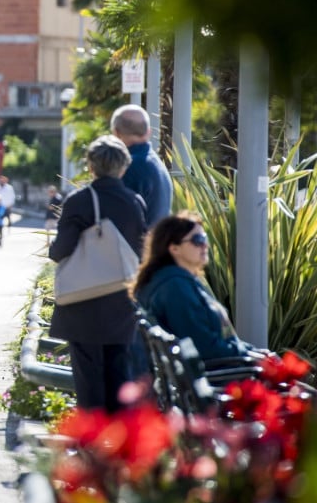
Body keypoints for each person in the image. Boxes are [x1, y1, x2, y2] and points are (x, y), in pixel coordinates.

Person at [48, 134, 147, 412]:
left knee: (88, 375)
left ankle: (92, 443)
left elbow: (61, 250)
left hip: (83, 301)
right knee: (119, 370)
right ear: (123, 167)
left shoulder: (79, 201)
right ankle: (120, 442)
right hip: (121, 301)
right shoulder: (135, 202)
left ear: (91, 166)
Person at [133, 213, 259, 361]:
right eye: (197, 240)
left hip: (218, 370)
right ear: (174, 248)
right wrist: (252, 356)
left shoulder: (177, 281)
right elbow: (204, 348)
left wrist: (252, 352)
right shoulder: (175, 288)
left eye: (204, 238)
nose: (205, 245)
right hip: (219, 375)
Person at [111, 104, 173, 228]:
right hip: (156, 243)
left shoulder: (126, 167)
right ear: (148, 132)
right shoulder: (156, 162)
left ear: (116, 133)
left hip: (135, 245)